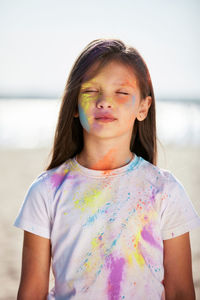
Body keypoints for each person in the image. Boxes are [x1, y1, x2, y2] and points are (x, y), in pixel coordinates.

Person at [14, 38, 200, 300]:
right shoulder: (46, 191)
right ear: (75, 105)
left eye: (121, 93)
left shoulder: (164, 190)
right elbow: (31, 293)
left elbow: (181, 291)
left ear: (143, 108)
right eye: (91, 91)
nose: (104, 102)